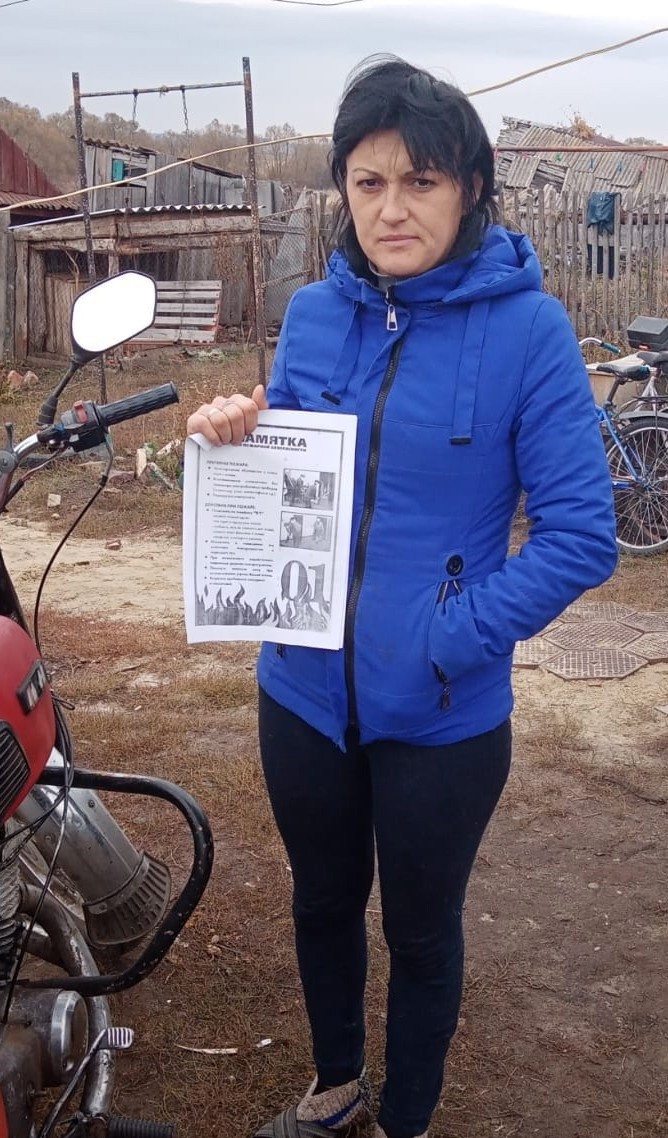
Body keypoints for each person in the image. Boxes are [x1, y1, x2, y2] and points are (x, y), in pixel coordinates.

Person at [187, 56, 617, 1138]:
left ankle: (405, 1118)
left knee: (420, 931)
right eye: (368, 182)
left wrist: (446, 639)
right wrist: (233, 437)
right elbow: (294, 469)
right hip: (300, 692)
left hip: (441, 710)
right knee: (322, 900)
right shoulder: (312, 314)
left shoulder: (530, 333)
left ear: (468, 187)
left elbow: (579, 536)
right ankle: (336, 1089)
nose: (391, 209)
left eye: (419, 182)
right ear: (342, 187)